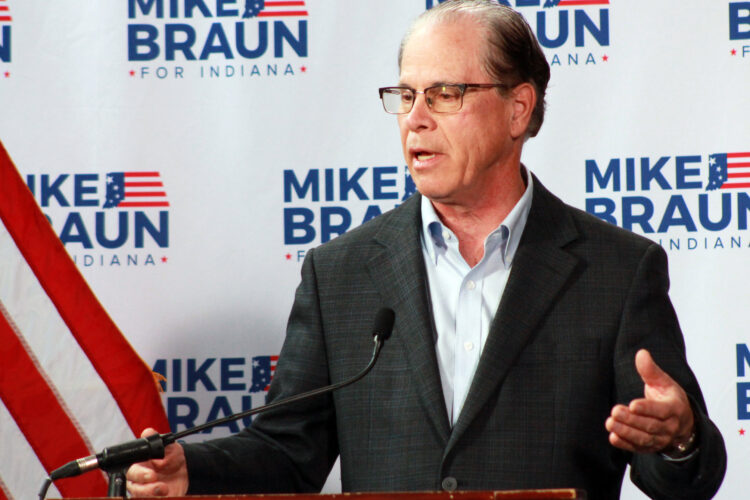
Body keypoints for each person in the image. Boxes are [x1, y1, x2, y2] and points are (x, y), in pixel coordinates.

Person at [126, 1, 726, 498]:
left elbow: (681, 475)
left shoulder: (615, 271)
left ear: (517, 109)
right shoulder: (341, 273)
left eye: (443, 94)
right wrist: (193, 472)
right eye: (404, 95)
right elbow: (289, 452)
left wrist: (678, 439)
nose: (413, 120)